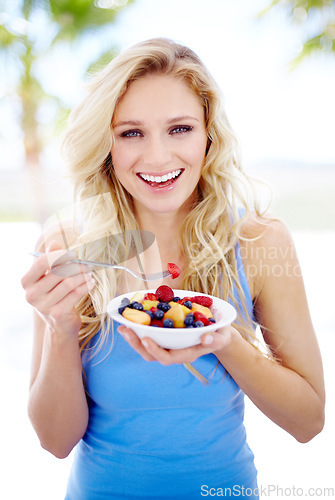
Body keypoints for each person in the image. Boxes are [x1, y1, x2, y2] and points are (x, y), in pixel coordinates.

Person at [21, 38, 325, 500]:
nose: (159, 157)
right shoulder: (72, 245)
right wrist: (60, 329)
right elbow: (55, 441)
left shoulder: (259, 242)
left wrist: (224, 342)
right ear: (107, 144)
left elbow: (309, 422)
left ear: (208, 133)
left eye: (179, 129)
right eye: (131, 133)